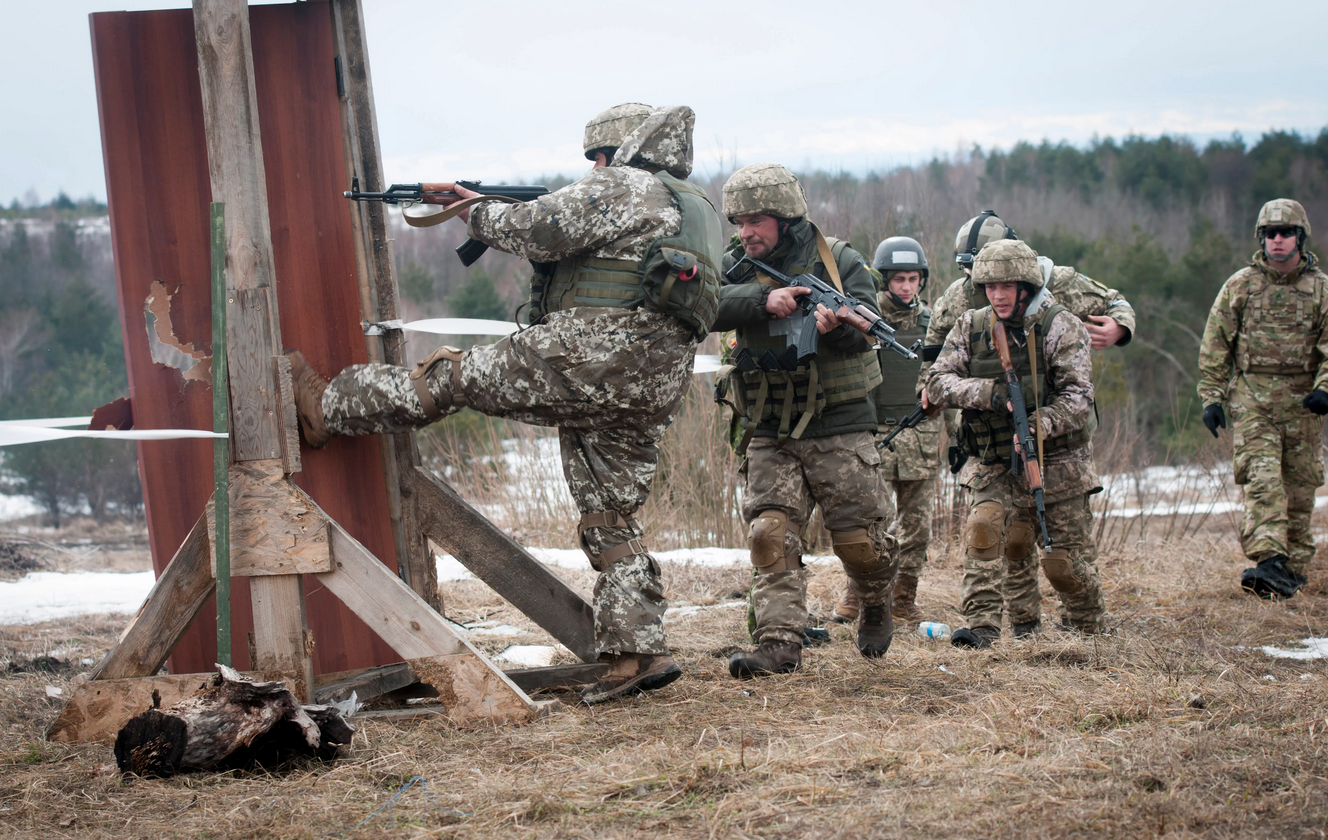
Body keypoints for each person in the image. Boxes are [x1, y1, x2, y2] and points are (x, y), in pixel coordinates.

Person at [286, 105, 725, 704]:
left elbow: (536, 230)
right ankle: (636, 653)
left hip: (586, 360)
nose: (594, 169)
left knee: (449, 378)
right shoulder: (694, 209)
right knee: (611, 512)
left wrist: (472, 208)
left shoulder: (624, 184)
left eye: (596, 157)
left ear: (617, 152)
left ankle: (326, 409)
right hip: (650, 385)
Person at [713, 163, 897, 677]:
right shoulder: (734, 267)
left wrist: (837, 329)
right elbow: (697, 304)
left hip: (838, 421)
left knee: (860, 542)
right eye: (739, 222)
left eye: (756, 221)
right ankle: (778, 645)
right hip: (768, 424)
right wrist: (759, 299)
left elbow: (867, 327)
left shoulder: (838, 261)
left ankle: (876, 601)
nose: (745, 232)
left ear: (786, 220)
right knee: (770, 533)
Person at [923, 211, 1135, 636]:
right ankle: (984, 626)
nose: (997, 296)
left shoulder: (1060, 325)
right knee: (988, 530)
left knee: (1064, 562)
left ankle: (1088, 627)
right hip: (993, 453)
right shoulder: (970, 321)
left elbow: (1078, 396)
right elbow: (935, 380)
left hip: (1060, 457)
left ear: (1026, 285)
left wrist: (1040, 424)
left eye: (1006, 287)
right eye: (989, 286)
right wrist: (988, 395)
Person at [1197, 198, 1328, 598]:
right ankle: (1268, 559)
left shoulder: (1321, 290)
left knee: (1300, 487)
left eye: (1285, 233)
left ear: (1299, 238)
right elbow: (1215, 344)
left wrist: (1325, 387)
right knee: (1263, 479)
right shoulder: (1241, 286)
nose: (1277, 240)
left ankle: (1292, 569)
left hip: (1303, 404)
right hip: (1253, 400)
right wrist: (1212, 397)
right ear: (1261, 239)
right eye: (1270, 234)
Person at [832, 236, 939, 626]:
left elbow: (946, 377)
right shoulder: (865, 320)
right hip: (872, 435)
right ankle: (855, 596)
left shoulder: (934, 323)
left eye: (912, 279)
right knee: (864, 526)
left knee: (916, 528)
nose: (906, 287)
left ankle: (904, 597)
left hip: (921, 438)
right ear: (885, 281)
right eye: (898, 279)